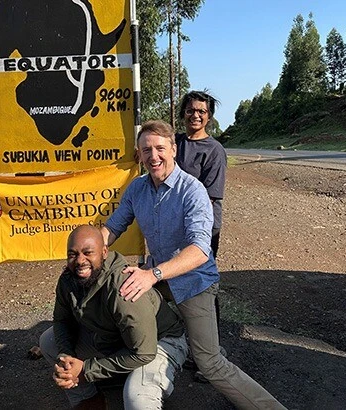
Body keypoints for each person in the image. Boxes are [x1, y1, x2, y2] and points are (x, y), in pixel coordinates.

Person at [102, 120, 284, 409]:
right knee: (119, 316)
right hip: (159, 280)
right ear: (139, 154)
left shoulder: (192, 190)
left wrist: (153, 274)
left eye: (160, 148)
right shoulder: (137, 189)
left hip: (193, 282)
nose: (154, 156)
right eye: (146, 150)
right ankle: (121, 380)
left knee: (209, 362)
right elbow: (112, 227)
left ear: (174, 149)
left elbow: (200, 250)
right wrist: (87, 250)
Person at [39, 225, 188, 409]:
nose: (79, 261)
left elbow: (144, 352)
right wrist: (67, 359)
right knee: (49, 341)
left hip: (160, 342)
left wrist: (86, 371)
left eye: (88, 253)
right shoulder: (69, 280)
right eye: (72, 254)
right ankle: (90, 401)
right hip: (118, 339)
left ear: (104, 252)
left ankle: (138, 384)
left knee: (138, 398)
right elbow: (62, 321)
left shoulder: (123, 288)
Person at [175, 90, 227, 258]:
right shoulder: (173, 142)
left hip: (202, 222)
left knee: (201, 274)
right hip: (175, 220)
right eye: (190, 110)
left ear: (209, 116)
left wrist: (196, 228)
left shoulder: (214, 150)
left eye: (201, 111)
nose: (195, 115)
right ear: (183, 113)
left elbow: (210, 198)